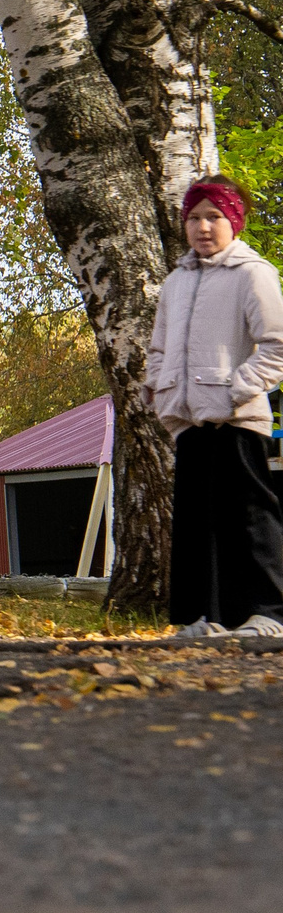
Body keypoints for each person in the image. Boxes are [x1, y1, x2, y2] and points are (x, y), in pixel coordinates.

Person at [147, 177, 283, 639]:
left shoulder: (253, 273)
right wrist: (162, 393)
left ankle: (267, 612)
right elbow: (158, 349)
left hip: (238, 419)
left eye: (214, 217)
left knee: (248, 517)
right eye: (193, 218)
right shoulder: (175, 282)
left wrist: (235, 391)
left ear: (234, 221)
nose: (203, 227)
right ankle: (204, 616)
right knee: (196, 521)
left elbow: (276, 345)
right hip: (190, 421)